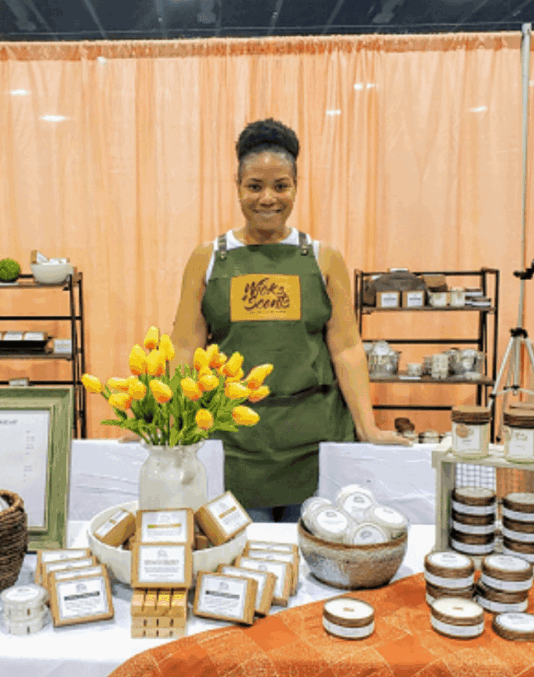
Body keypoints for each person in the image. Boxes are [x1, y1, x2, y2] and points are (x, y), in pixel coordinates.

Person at [171, 118, 409, 523]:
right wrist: (169, 423)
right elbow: (185, 346)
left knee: (316, 552)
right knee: (248, 557)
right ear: (238, 186)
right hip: (237, 441)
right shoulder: (208, 258)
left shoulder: (322, 258)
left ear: (296, 186)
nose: (268, 198)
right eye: (255, 186)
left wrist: (367, 428)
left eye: (281, 186)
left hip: (315, 440)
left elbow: (347, 347)